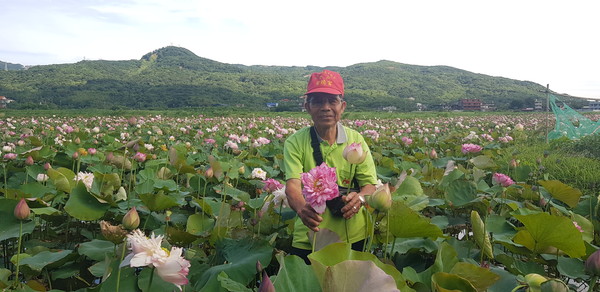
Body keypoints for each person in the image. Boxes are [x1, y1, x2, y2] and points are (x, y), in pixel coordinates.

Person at [283, 69, 378, 263]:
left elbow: (370, 185)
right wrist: (302, 209)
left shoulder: (356, 140)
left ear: (342, 106)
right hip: (311, 234)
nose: (325, 107)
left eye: (332, 101)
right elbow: (292, 186)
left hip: (353, 234)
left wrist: (359, 198)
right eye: (317, 101)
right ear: (307, 107)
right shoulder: (295, 142)